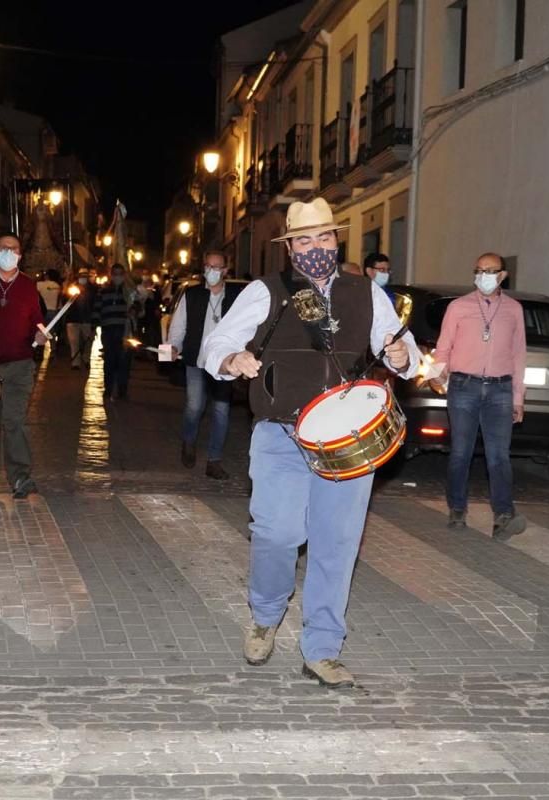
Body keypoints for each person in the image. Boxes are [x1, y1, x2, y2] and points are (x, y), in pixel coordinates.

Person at [201, 198, 418, 688]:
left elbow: (403, 352)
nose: (315, 248)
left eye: (324, 238)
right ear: (290, 248)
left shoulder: (367, 293)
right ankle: (265, 614)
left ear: (336, 242)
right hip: (281, 432)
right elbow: (215, 343)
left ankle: (322, 647)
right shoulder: (265, 292)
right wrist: (233, 359)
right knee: (276, 533)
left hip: (348, 440)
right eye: (305, 240)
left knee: (336, 545)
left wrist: (403, 356)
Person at [430, 252, 527, 540]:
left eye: (490, 270)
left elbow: (518, 353)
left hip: (500, 388)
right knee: (461, 452)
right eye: (479, 270)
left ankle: (504, 515)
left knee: (499, 456)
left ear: (502, 276)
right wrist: (437, 374)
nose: (483, 275)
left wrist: (518, 397)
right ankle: (457, 508)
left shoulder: (513, 309)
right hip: (463, 386)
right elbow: (443, 345)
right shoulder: (459, 307)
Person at [0, 232, 45, 500]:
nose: (8, 252)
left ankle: (21, 478)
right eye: (3, 248)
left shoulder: (28, 285)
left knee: (15, 422)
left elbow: (37, 318)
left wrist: (40, 333)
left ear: (20, 254)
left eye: (13, 248)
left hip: (20, 365)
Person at [167, 250, 242, 480]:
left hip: (223, 364)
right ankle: (188, 442)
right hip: (196, 361)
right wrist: (172, 347)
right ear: (204, 269)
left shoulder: (237, 297)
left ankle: (214, 461)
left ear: (226, 271)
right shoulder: (192, 295)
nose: (212, 271)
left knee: (221, 411)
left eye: (217, 267)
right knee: (194, 406)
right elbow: (178, 326)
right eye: (208, 266)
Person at [96, 263, 134, 400]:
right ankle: (108, 389)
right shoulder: (104, 291)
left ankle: (122, 391)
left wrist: (133, 310)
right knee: (109, 361)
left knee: (123, 362)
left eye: (120, 274)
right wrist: (94, 326)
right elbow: (97, 309)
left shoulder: (129, 292)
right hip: (108, 331)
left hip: (124, 331)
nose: (117, 277)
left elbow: (138, 310)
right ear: (111, 275)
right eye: (115, 274)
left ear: (124, 275)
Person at [64, 268, 96, 369]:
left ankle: (86, 359)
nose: (83, 278)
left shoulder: (93, 288)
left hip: (87, 319)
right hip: (73, 319)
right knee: (74, 342)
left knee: (88, 341)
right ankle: (76, 363)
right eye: (81, 276)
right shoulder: (72, 287)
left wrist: (95, 320)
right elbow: (65, 301)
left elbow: (96, 303)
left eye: (85, 277)